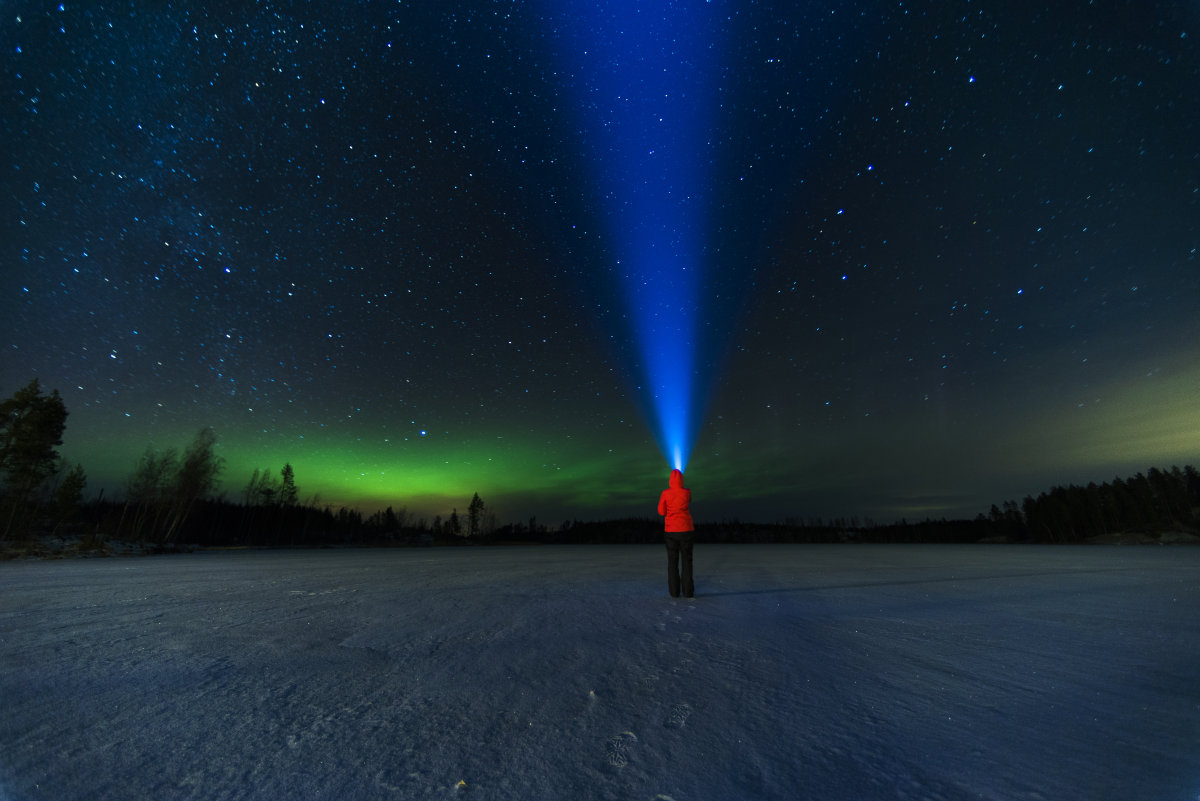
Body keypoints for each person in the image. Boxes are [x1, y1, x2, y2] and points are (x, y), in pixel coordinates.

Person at [658, 468, 695, 598]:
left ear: (670, 480)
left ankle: (674, 592)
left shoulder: (665, 493)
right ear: (681, 480)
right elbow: (689, 500)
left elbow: (661, 511)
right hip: (686, 530)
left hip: (671, 531)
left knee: (672, 562)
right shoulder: (687, 492)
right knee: (687, 561)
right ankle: (688, 592)